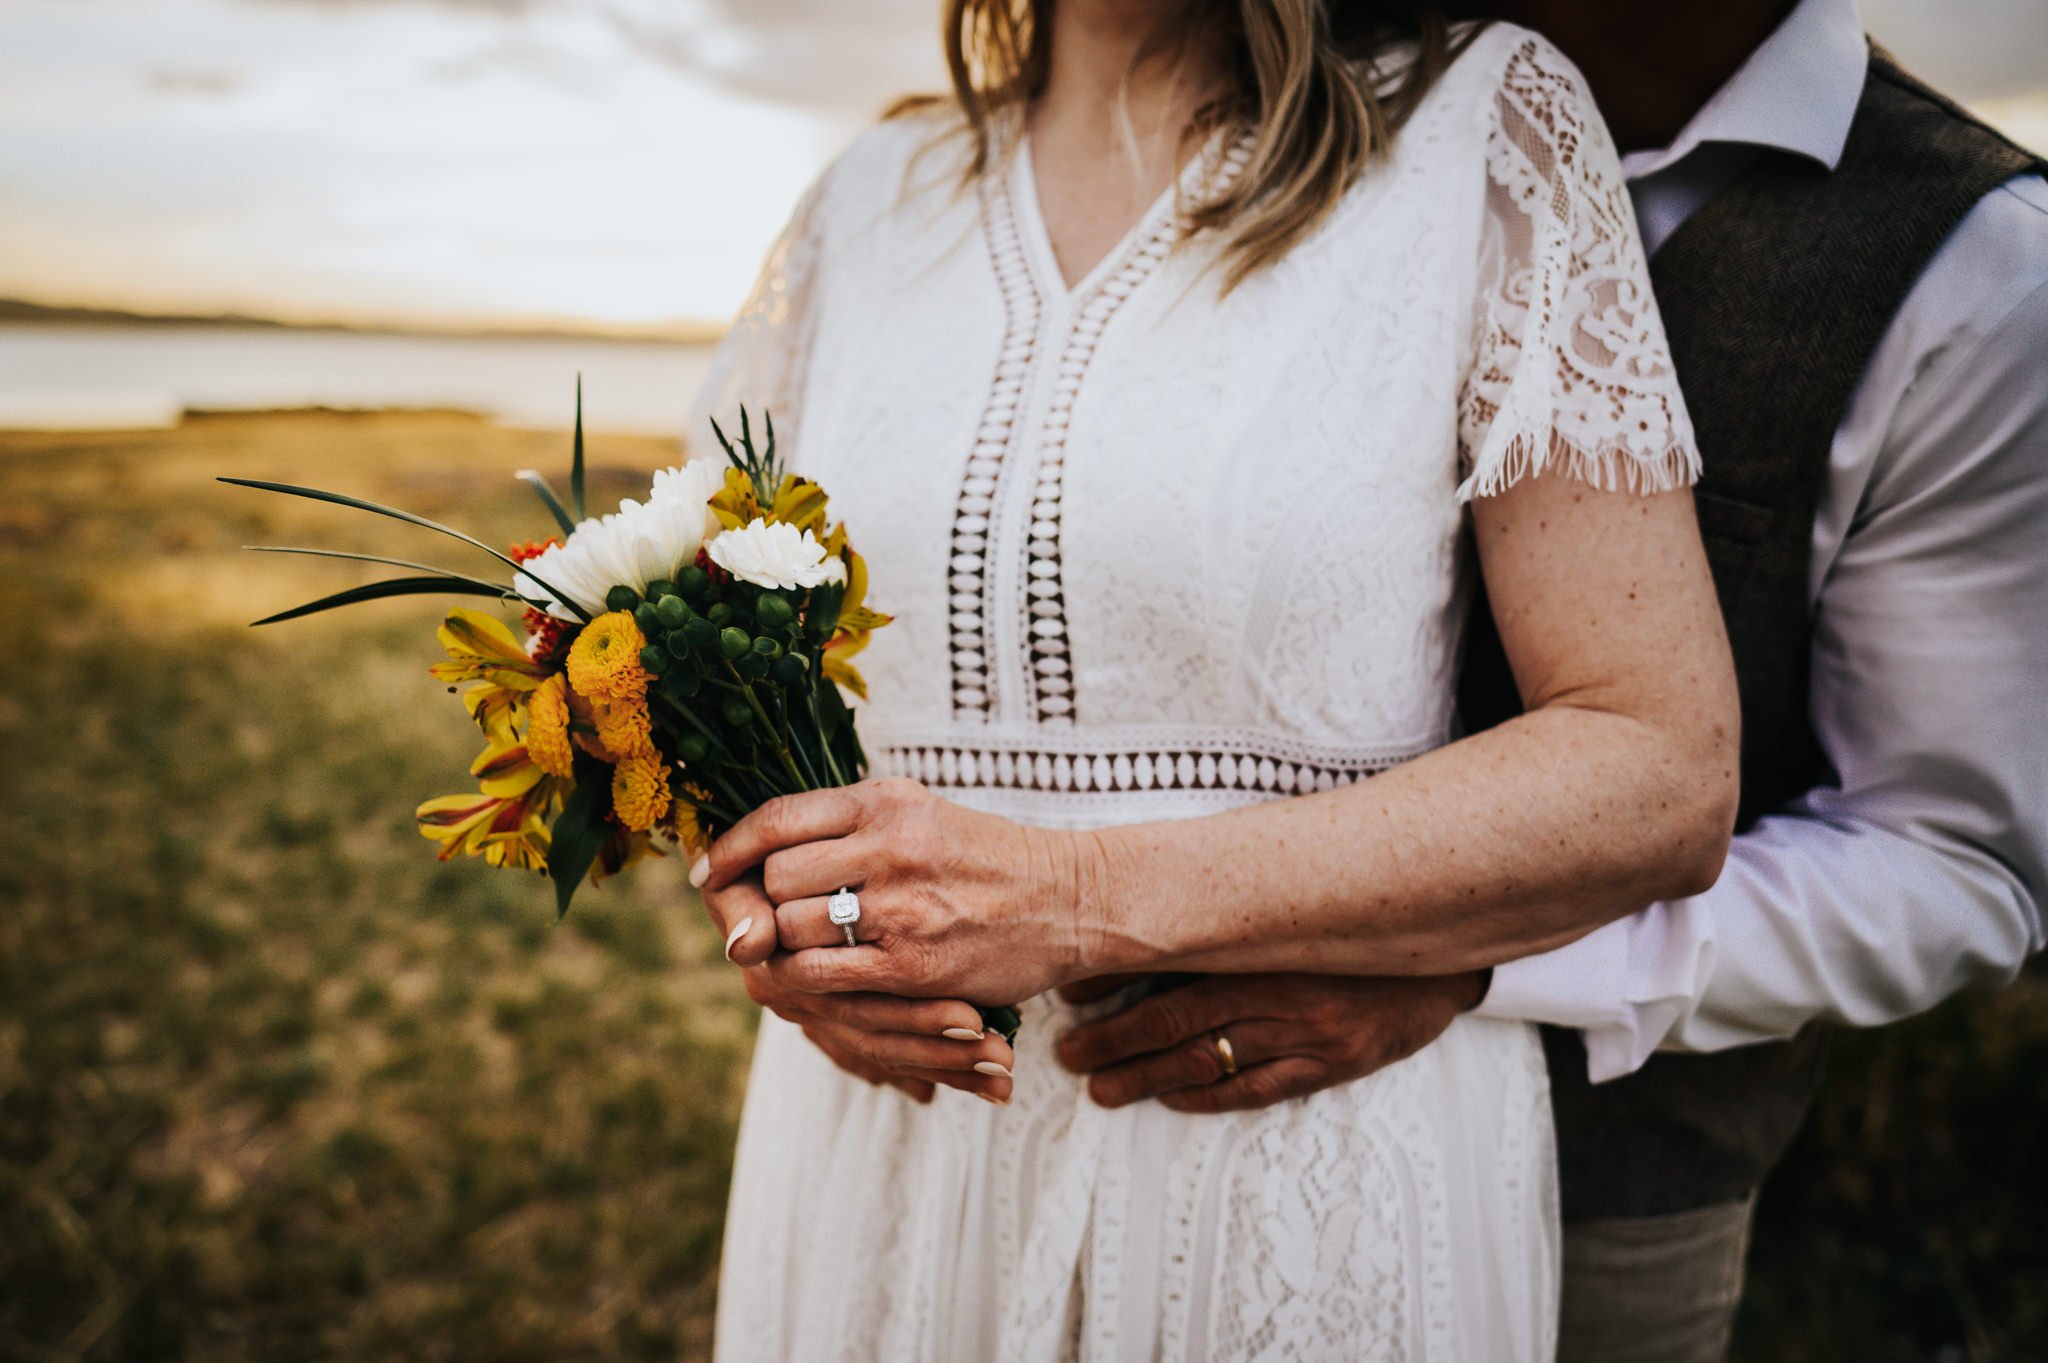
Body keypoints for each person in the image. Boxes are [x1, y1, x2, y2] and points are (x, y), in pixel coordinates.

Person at [688, 1, 1741, 1358]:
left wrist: (1080, 901)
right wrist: (768, 912)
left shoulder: (1479, 126)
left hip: (1292, 1174)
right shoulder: (868, 200)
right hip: (883, 1162)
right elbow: (711, 656)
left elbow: (1660, 766)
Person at [1046, 1, 2048, 1359]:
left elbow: (1955, 861)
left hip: (1612, 1195)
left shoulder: (1977, 269)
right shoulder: (1300, 87)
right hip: (1132, 1124)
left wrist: (1475, 954)